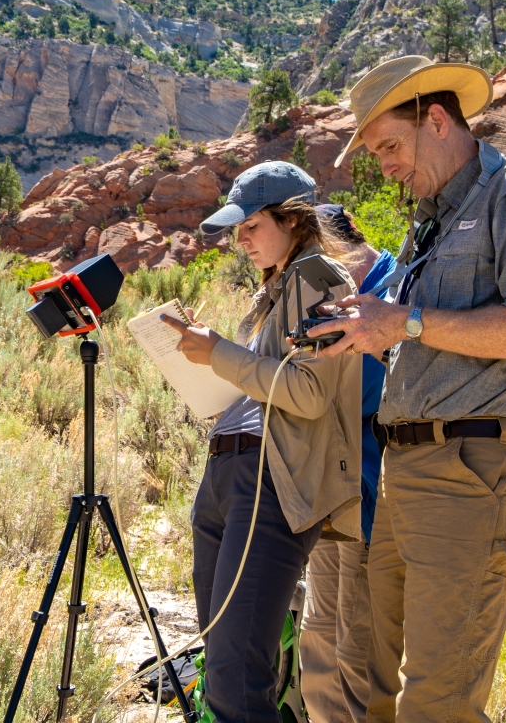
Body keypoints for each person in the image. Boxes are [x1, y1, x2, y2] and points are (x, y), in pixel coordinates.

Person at [308, 55, 506, 723]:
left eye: (390, 147)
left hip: (472, 471)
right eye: (375, 154)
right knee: (376, 689)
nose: (386, 166)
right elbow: (419, 333)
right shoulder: (428, 222)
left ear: (436, 119)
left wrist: (404, 321)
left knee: (438, 699)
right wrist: (369, 331)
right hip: (403, 471)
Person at [160, 160, 363, 723]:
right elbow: (262, 384)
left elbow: (309, 393)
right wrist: (209, 361)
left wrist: (220, 353)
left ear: (293, 220)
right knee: (223, 655)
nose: (240, 240)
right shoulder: (276, 289)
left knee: (234, 676)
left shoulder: (315, 278)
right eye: (237, 230)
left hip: (266, 483)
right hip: (231, 474)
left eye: (251, 226)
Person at [300, 204, 396, 723]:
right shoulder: (323, 301)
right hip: (329, 496)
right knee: (318, 639)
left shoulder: (397, 289)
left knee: (356, 645)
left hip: (375, 495)